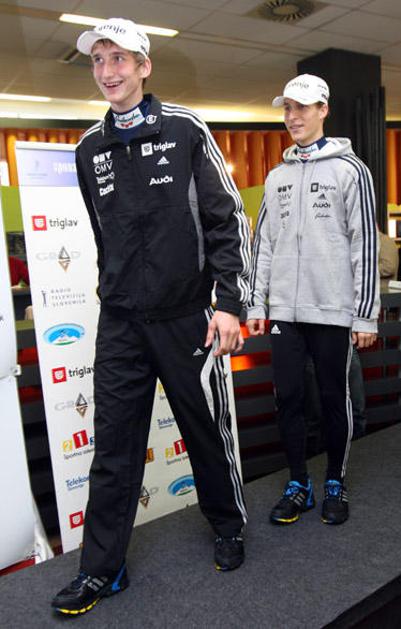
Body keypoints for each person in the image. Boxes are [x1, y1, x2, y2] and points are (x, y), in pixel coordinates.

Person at [52, 18, 251, 616]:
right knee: (113, 447)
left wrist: (230, 303)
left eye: (119, 58)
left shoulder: (186, 129)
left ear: (144, 66)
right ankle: (101, 570)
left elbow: (226, 219)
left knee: (204, 431)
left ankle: (228, 525)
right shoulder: (89, 148)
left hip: (186, 316)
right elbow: (103, 236)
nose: (107, 71)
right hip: (121, 323)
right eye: (98, 60)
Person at [247, 74, 379, 527]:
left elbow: (364, 245)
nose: (292, 116)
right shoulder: (276, 176)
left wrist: (365, 315)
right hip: (284, 311)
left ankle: (335, 481)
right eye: (287, 108)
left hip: (332, 310)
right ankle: (298, 483)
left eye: (302, 107)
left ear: (324, 109)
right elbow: (263, 244)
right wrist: (257, 304)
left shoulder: (351, 171)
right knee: (288, 399)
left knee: (333, 398)